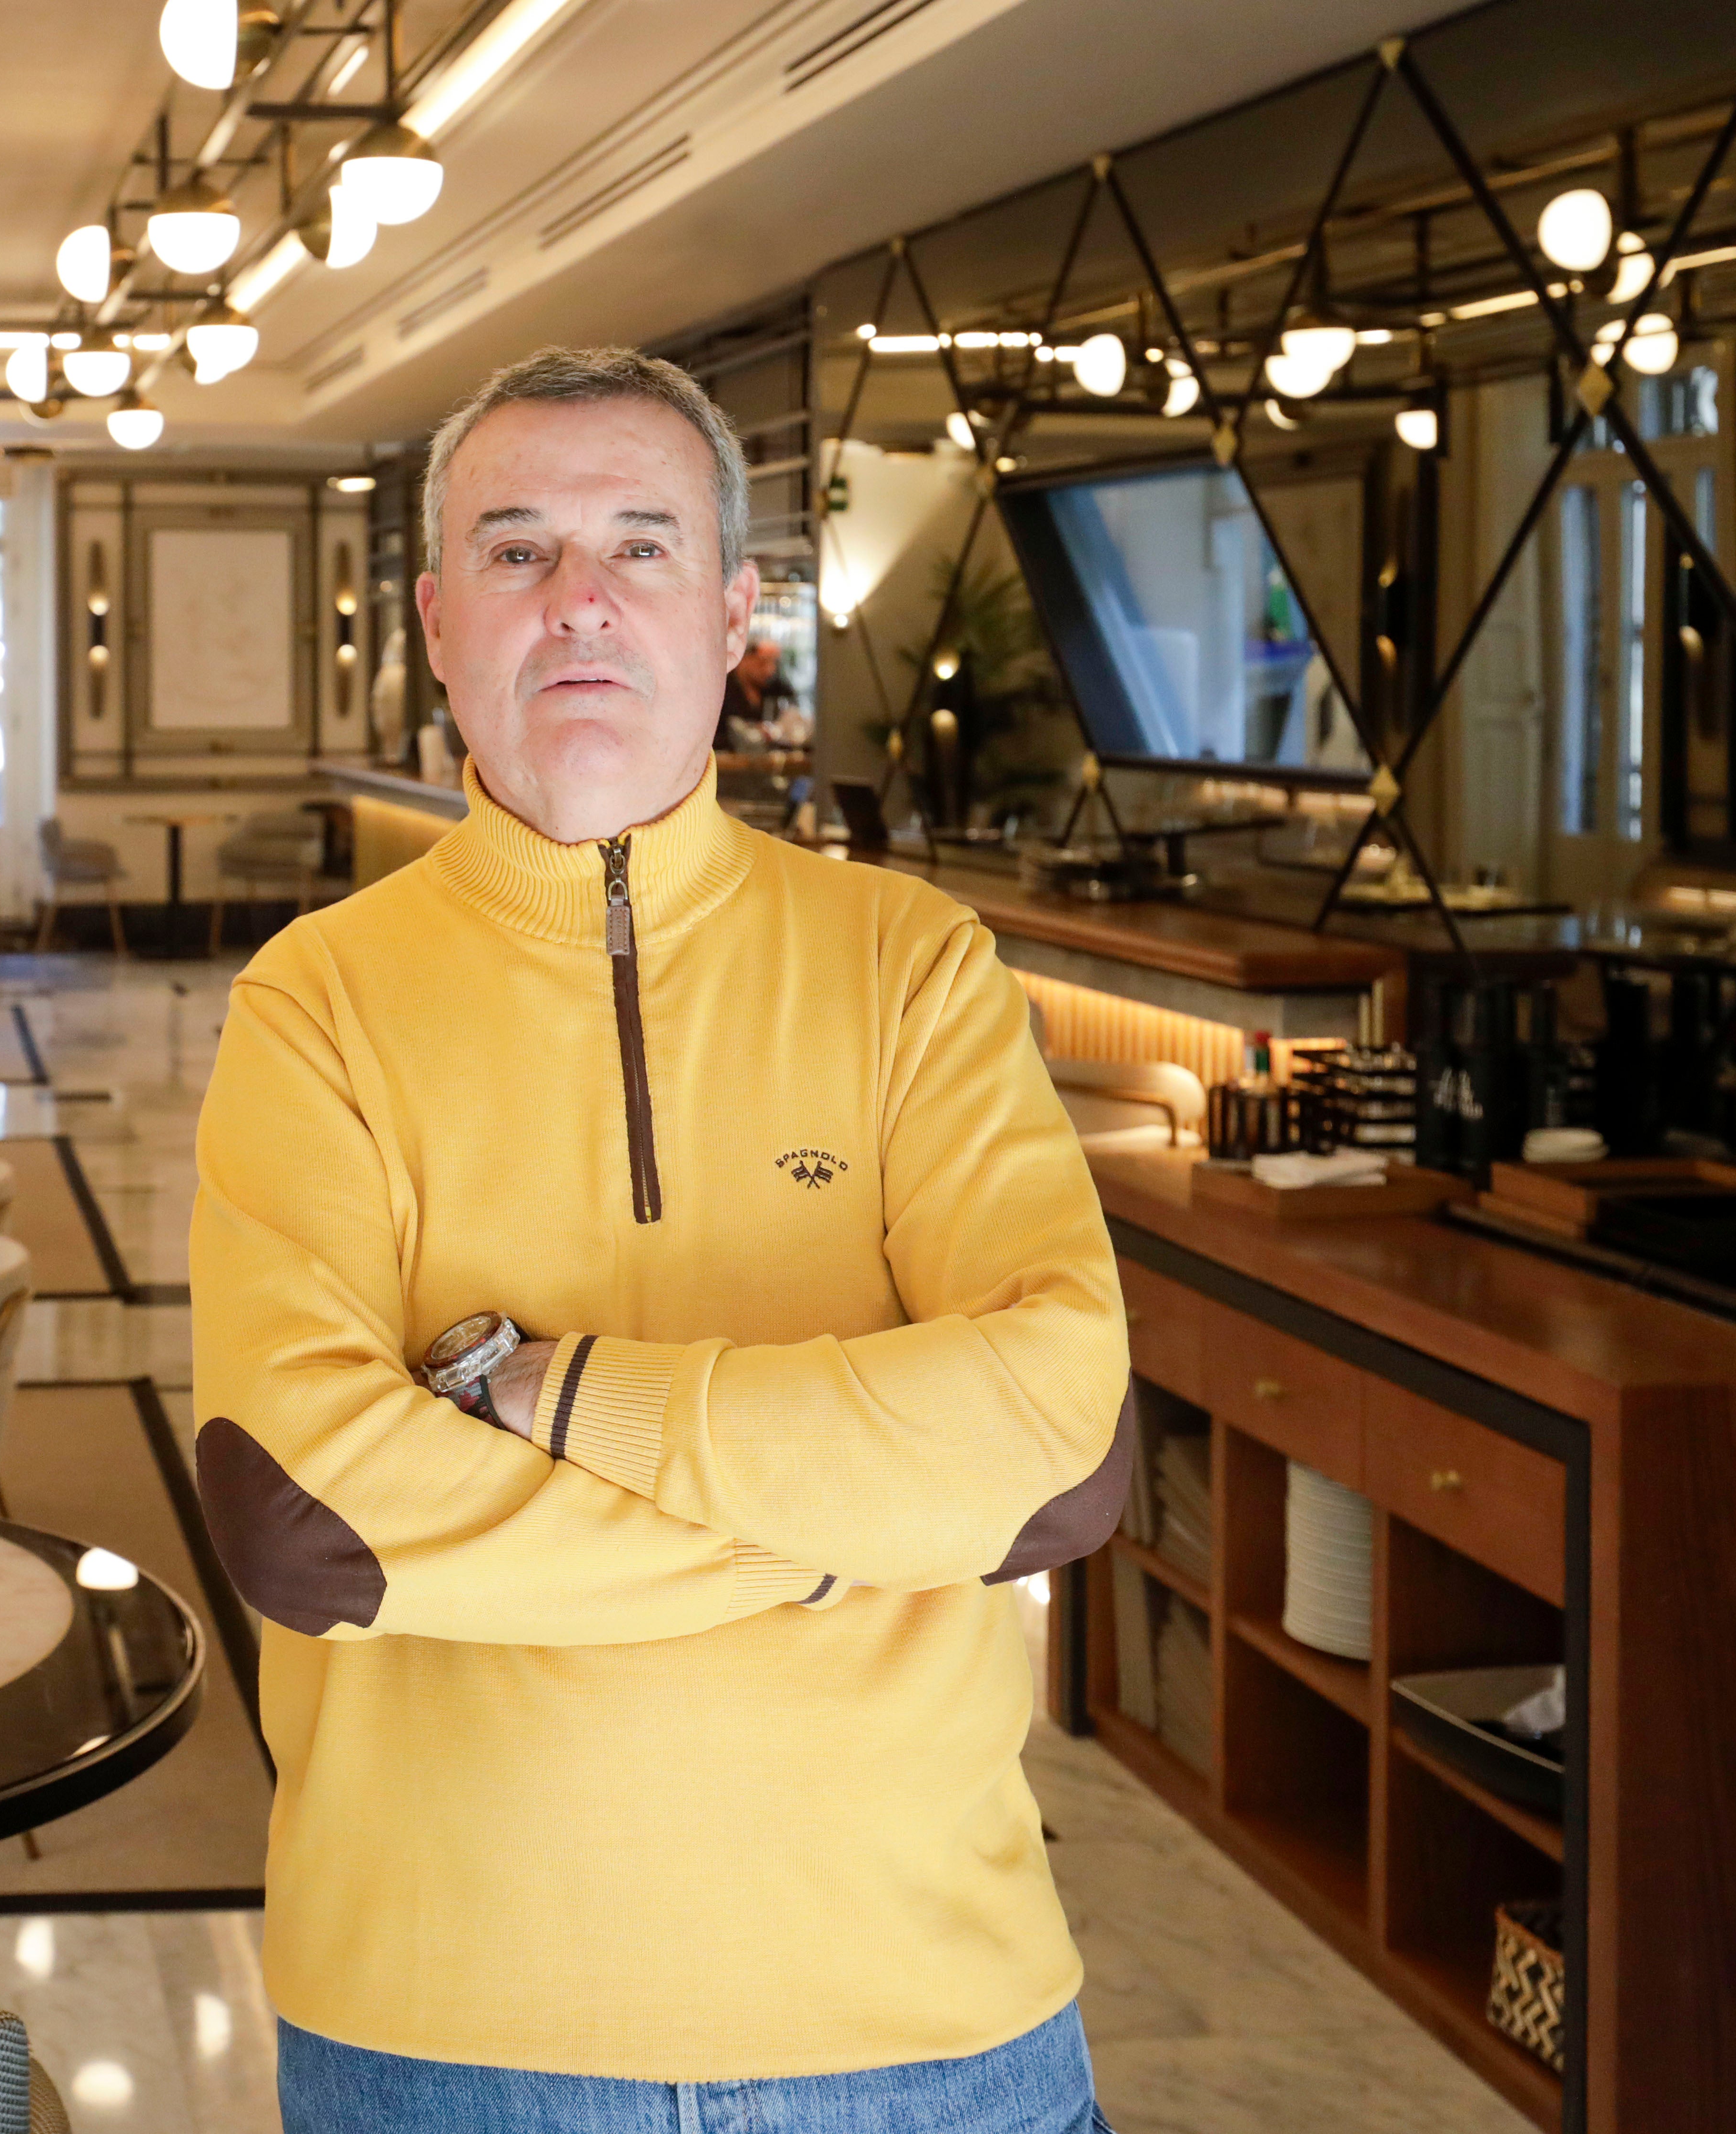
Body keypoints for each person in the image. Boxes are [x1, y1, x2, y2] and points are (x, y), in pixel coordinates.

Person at [191, 346, 1131, 2133]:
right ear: (435, 620)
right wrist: (846, 1521)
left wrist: (558, 1400)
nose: (577, 604)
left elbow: (1055, 1459)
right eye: (515, 548)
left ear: (728, 610)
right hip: (441, 2034)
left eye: (637, 545)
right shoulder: (309, 1003)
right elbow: (307, 1518)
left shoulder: (911, 968)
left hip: (928, 2029)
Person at [716, 633, 810, 751]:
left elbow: (794, 710)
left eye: (774, 663)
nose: (770, 670)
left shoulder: (776, 687)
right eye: (762, 663)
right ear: (743, 659)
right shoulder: (723, 688)